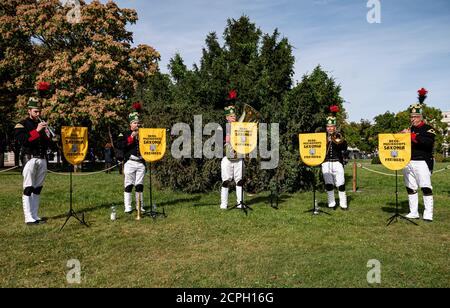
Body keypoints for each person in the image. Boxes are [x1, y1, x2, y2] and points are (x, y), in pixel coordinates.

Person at [14, 97, 55, 225]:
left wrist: (49, 135)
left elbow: (49, 144)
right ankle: (28, 217)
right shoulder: (21, 124)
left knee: (38, 188)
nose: (38, 114)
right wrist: (37, 130)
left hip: (42, 159)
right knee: (28, 188)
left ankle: (35, 215)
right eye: (35, 111)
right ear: (29, 111)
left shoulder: (42, 124)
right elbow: (24, 140)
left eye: (39, 111)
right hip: (29, 158)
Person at [402, 88, 436, 222]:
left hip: (422, 161)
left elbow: (427, 143)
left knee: (426, 187)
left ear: (421, 117)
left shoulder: (428, 128)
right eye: (411, 116)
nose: (413, 119)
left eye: (416, 116)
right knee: (410, 187)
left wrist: (410, 136)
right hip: (408, 161)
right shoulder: (409, 129)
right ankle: (414, 212)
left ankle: (428, 213)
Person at [220, 90, 245, 210]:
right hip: (227, 157)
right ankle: (224, 204)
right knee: (226, 181)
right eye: (231, 116)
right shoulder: (222, 127)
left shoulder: (240, 126)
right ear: (226, 117)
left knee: (239, 181)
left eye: (234, 115)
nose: (233, 117)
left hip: (238, 156)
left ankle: (240, 203)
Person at [117, 111, 146, 214]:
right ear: (130, 124)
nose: (137, 125)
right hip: (130, 162)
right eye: (135, 123)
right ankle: (128, 207)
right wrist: (132, 137)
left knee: (139, 185)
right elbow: (120, 146)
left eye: (138, 123)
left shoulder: (143, 133)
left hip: (141, 162)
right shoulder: (124, 133)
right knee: (129, 185)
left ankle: (140, 206)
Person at [321, 105, 348, 210]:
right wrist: (326, 141)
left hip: (337, 162)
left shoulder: (338, 135)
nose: (329, 128)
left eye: (331, 126)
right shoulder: (323, 137)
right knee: (329, 184)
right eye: (328, 126)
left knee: (341, 184)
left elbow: (344, 147)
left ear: (334, 127)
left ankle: (343, 204)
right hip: (326, 162)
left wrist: (339, 139)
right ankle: (331, 203)